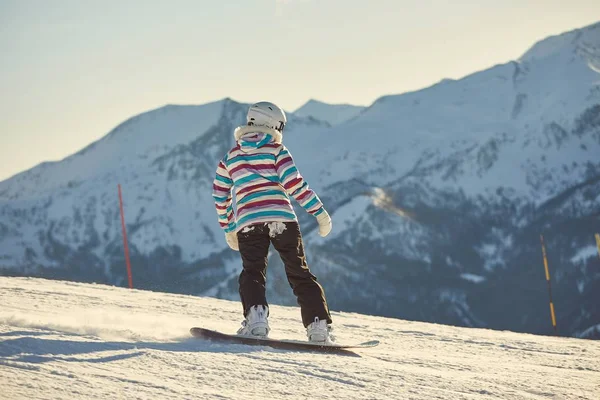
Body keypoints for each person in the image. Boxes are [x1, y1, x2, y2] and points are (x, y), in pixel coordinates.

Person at [212, 101, 334, 343]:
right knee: (299, 272)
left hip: (249, 223)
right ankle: (317, 326)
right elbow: (295, 185)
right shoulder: (277, 150)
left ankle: (256, 320)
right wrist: (319, 213)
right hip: (282, 220)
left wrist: (229, 228)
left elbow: (219, 193)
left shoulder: (231, 157)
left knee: (253, 272)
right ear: (273, 125)